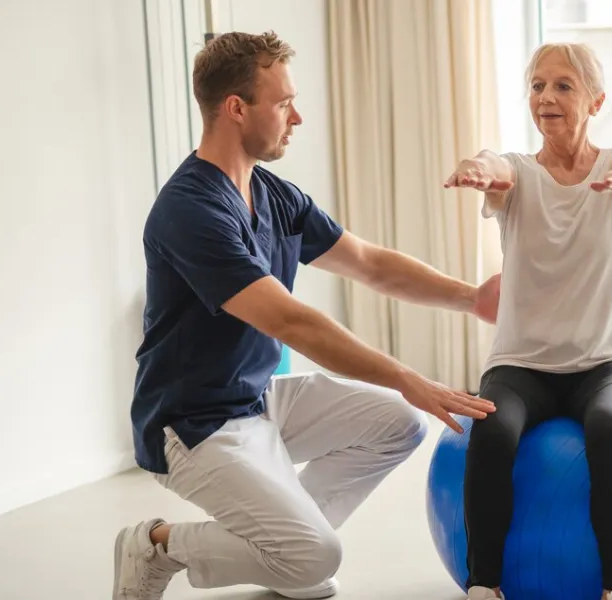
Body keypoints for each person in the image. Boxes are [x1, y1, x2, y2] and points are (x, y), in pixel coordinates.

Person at [111, 31, 498, 600]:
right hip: (192, 422)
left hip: (256, 398)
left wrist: (472, 297)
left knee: (399, 422)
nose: (297, 117)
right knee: (317, 555)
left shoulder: (273, 194)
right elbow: (290, 323)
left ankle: (285, 557)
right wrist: (407, 376)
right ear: (237, 108)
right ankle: (158, 544)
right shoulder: (190, 210)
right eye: (284, 103)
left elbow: (369, 263)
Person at [443, 42, 612, 600]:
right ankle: (483, 585)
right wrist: (478, 167)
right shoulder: (518, 174)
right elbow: (495, 166)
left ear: (596, 101)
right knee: (492, 431)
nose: (546, 97)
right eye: (537, 86)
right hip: (523, 364)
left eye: (563, 86)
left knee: (609, 426)